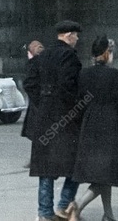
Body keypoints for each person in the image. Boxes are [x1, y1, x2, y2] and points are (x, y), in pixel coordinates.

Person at [27, 20, 83, 221]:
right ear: (68, 36)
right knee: (75, 164)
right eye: (76, 35)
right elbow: (70, 86)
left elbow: (29, 83)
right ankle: (64, 205)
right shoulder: (70, 56)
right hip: (65, 118)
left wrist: (42, 102)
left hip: (44, 117)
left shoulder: (43, 55)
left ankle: (44, 212)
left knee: (45, 168)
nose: (77, 39)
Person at [72, 36, 118, 221]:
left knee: (103, 174)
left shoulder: (83, 74)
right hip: (109, 128)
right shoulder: (115, 75)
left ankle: (108, 215)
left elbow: (79, 103)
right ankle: (76, 208)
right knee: (106, 173)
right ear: (106, 53)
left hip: (89, 128)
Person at [21, 39, 45, 161]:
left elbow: (28, 84)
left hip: (36, 103)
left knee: (36, 133)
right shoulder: (46, 62)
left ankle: (35, 159)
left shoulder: (33, 64)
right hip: (45, 101)